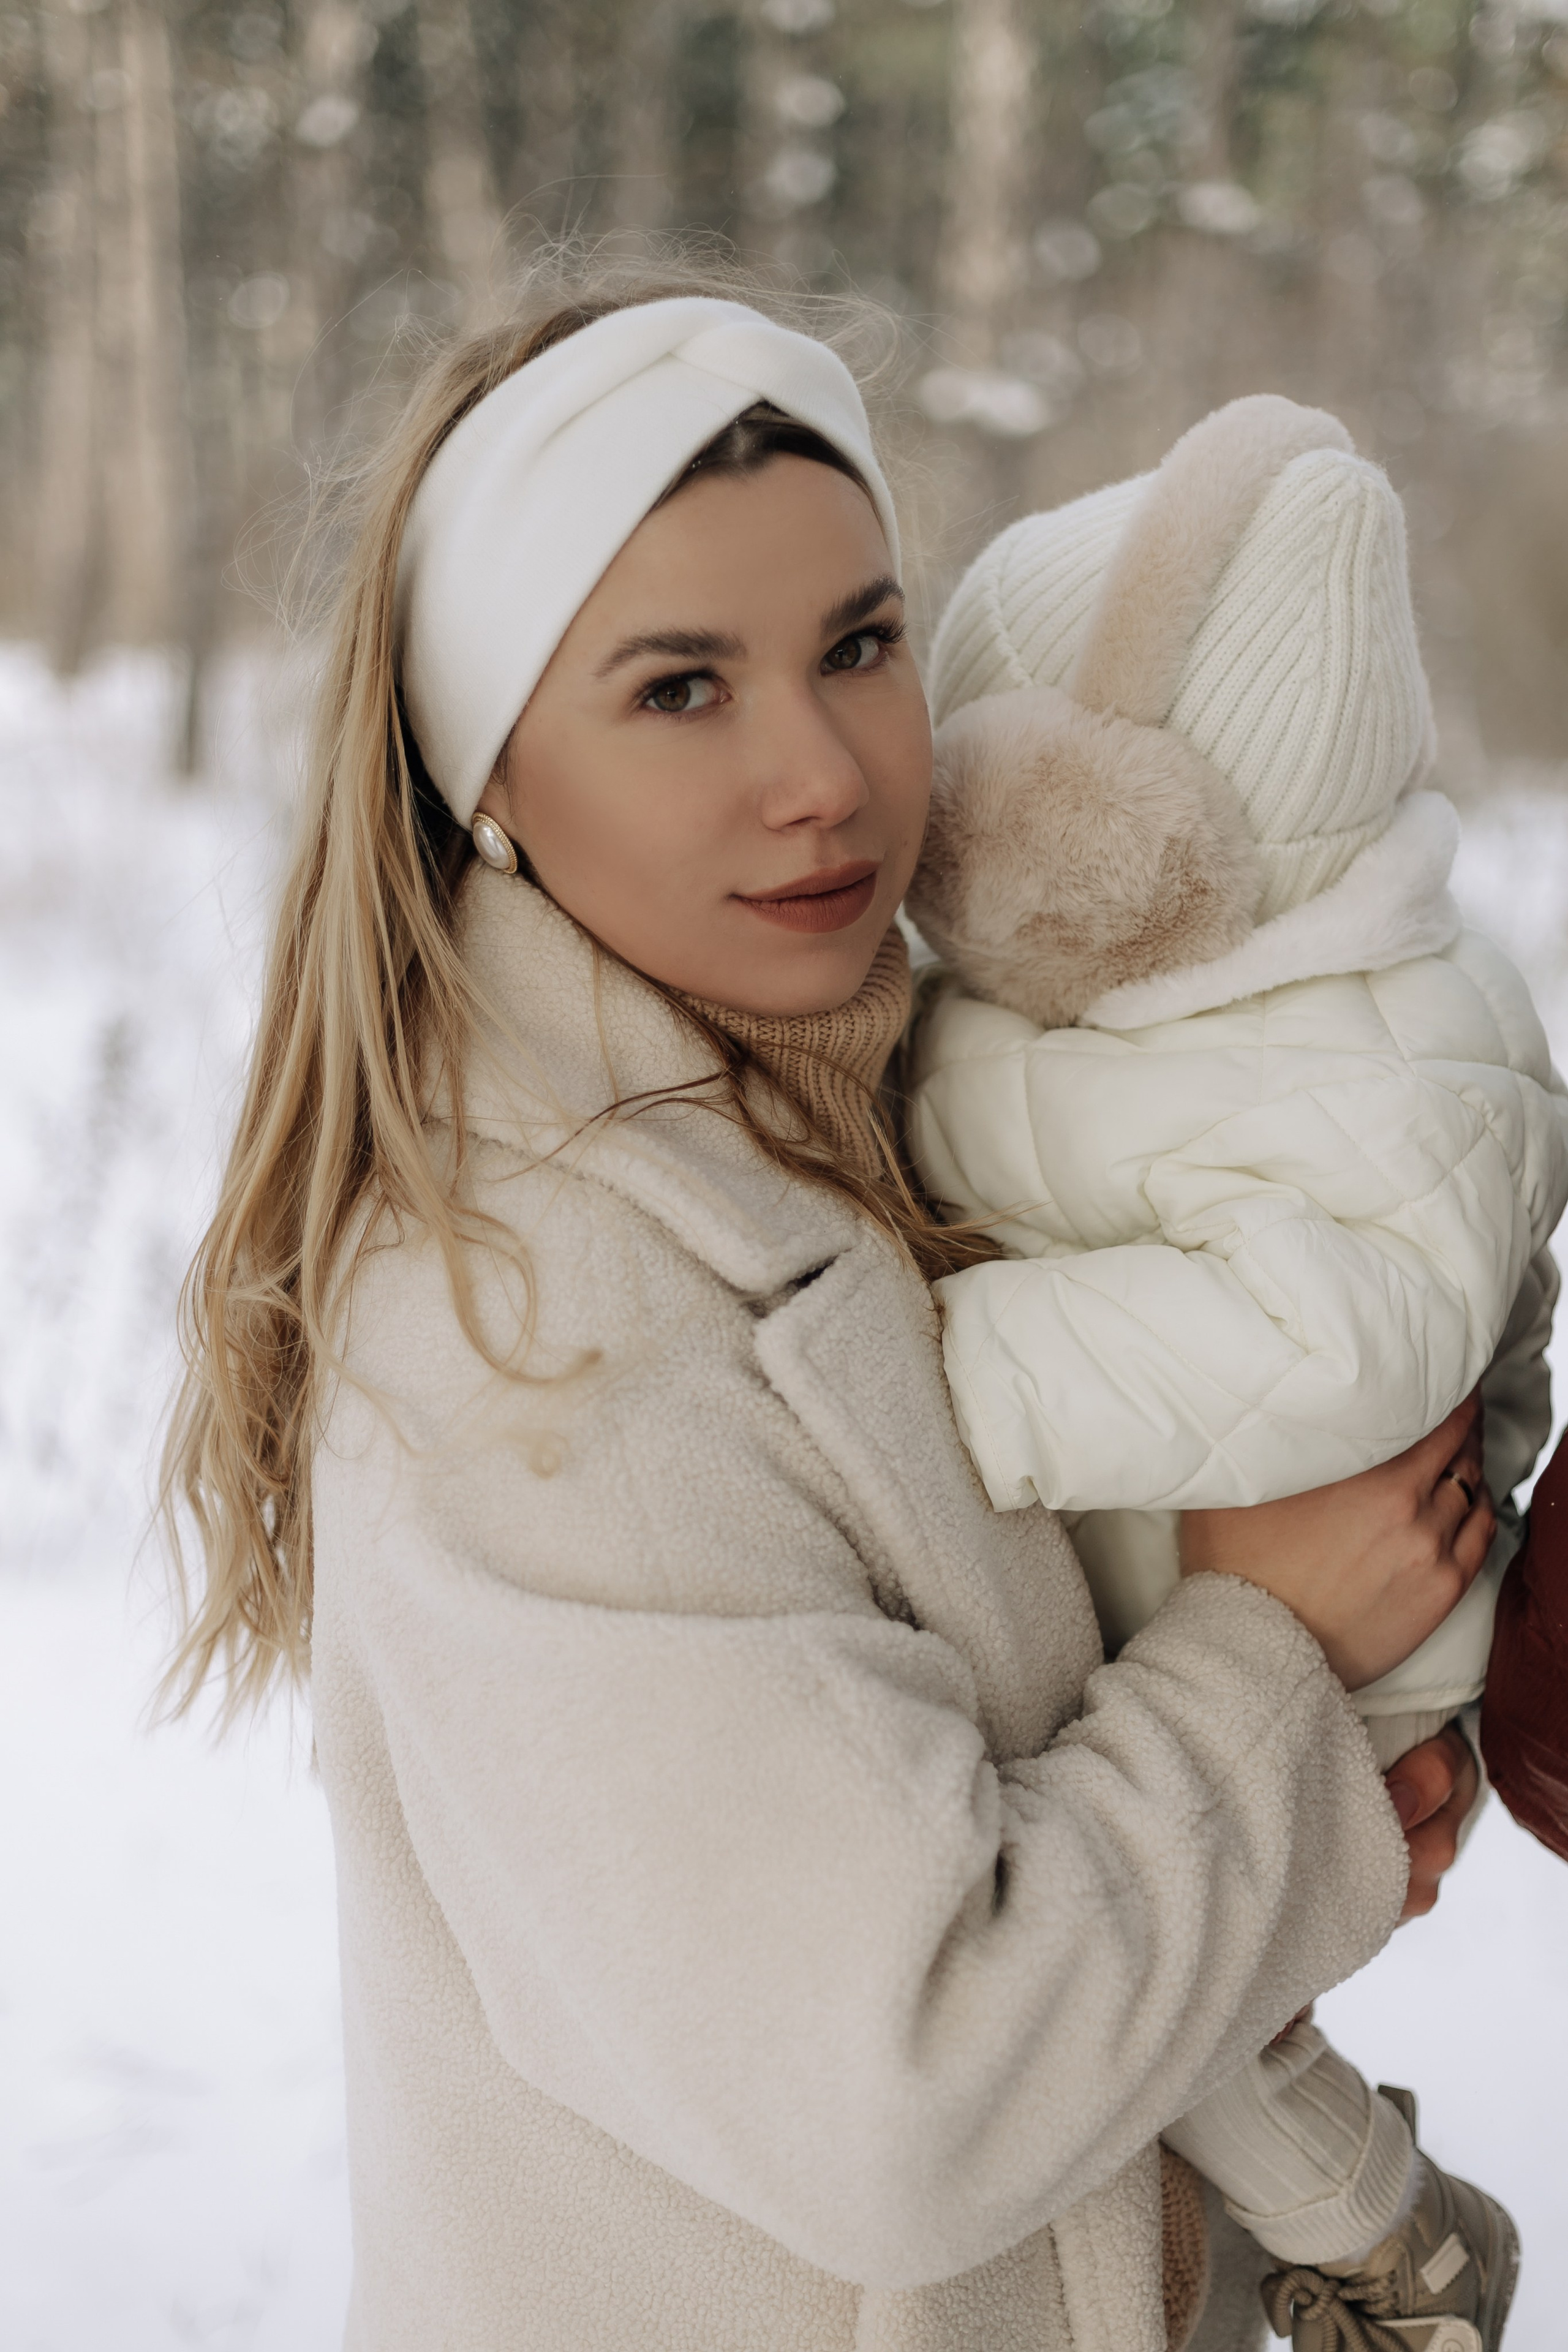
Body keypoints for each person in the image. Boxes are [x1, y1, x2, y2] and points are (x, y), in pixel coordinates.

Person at [162, 266, 1490, 2352]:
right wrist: (1268, 1662)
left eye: (861, 646)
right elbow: (905, 2094)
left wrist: (1315, 1787)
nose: (827, 776)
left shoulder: (882, 1135)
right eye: (679, 688)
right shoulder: (535, 1330)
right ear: (483, 764)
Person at [903, 393, 1564, 2348]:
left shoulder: (1377, 1051)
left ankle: (1385, 2241)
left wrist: (948, 1370)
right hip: (1187, 1586)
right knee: (1147, 1988)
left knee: (1151, 2015)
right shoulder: (1169, 993)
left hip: (1353, 1623)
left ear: (1125, 835)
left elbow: (1332, 1343)